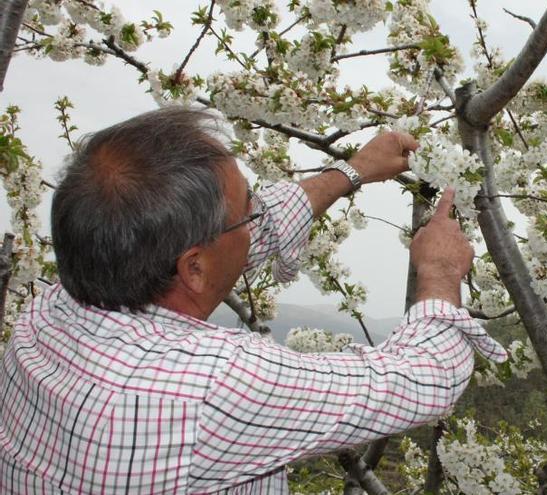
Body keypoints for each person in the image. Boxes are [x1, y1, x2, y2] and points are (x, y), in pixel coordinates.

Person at [0, 107, 506, 494]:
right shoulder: (208, 387)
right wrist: (439, 271)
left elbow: (243, 241)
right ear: (193, 267)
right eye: (249, 209)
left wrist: (351, 172)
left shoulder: (48, 309)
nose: (257, 218)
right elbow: (424, 380)